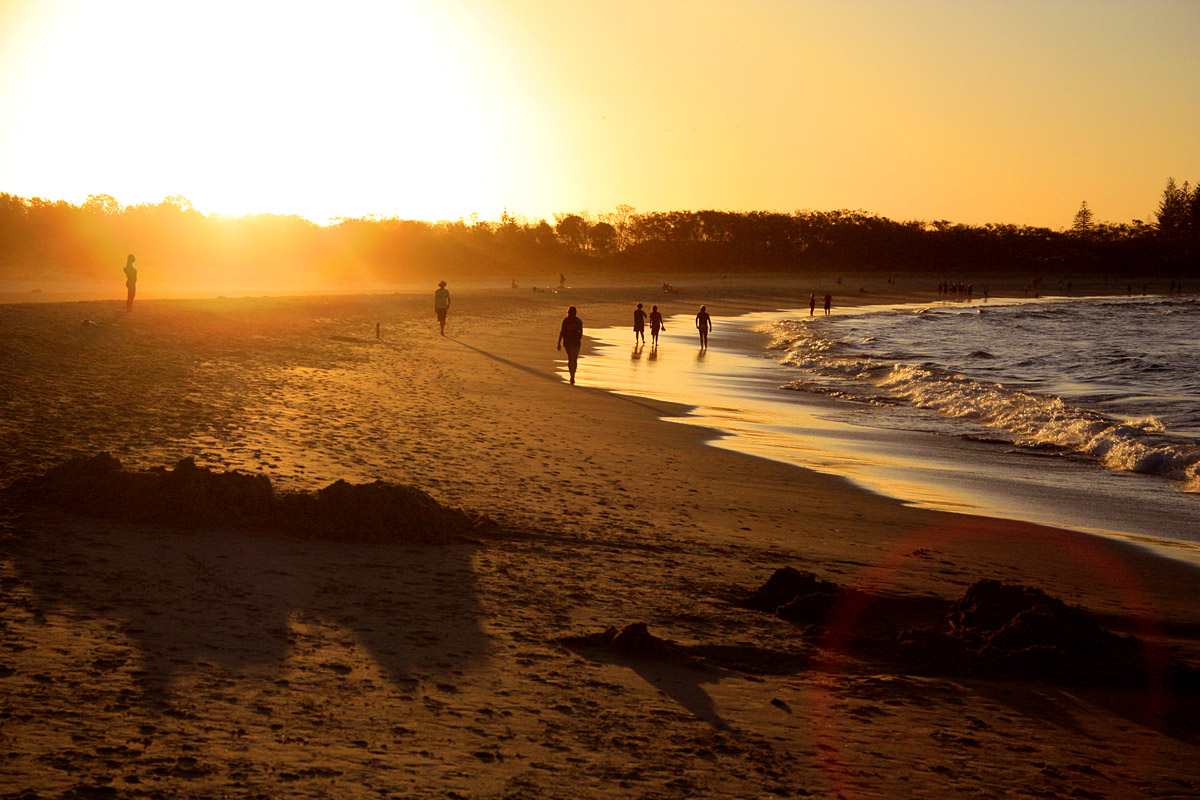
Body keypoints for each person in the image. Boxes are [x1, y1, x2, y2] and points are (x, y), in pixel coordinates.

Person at [557, 305, 583, 385]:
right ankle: (572, 376)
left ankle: (572, 375)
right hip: (575, 343)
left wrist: (559, 343)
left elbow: (562, 332)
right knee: (574, 360)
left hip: (568, 342)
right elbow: (581, 333)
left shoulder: (566, 320)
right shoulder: (578, 321)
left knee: (570, 359)